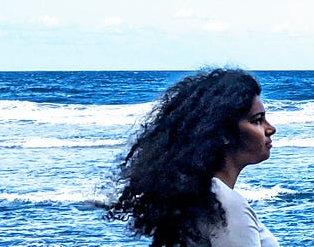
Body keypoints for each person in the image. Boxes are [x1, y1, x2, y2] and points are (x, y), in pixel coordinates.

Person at [107, 68, 279, 246]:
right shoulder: (228, 206)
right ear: (224, 133)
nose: (270, 129)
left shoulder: (199, 199)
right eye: (257, 120)